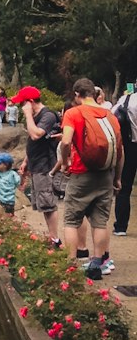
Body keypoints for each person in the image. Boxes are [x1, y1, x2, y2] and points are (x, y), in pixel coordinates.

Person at [58, 77, 123, 278]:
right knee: (100, 222)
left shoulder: (73, 113)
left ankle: (69, 267)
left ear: (77, 94)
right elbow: (120, 151)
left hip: (81, 174)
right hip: (105, 175)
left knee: (71, 221)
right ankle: (97, 264)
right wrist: (117, 179)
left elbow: (66, 141)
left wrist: (66, 161)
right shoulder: (110, 115)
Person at [11, 86, 61, 246]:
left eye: (22, 104)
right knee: (43, 204)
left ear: (30, 102)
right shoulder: (36, 116)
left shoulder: (48, 116)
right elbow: (33, 142)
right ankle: (52, 238)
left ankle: (55, 240)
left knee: (48, 204)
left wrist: (27, 114)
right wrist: (26, 161)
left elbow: (35, 134)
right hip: (36, 164)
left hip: (46, 165)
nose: (21, 108)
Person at [111, 84, 137, 235]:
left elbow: (112, 115)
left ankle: (121, 227)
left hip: (130, 146)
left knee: (125, 187)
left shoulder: (126, 99)